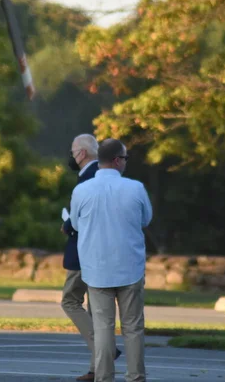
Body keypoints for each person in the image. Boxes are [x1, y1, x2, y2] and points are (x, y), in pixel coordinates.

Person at [70, 138, 152, 382]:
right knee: (133, 327)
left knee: (103, 328)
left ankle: (103, 377)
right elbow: (146, 219)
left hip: (96, 269)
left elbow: (75, 223)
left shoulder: (81, 190)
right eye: (125, 158)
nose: (125, 163)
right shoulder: (135, 188)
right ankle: (136, 377)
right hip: (130, 267)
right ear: (117, 160)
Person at [61, 134, 120, 382]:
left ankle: (104, 351)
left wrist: (66, 225)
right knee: (96, 310)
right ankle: (96, 369)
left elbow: (79, 222)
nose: (73, 157)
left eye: (74, 152)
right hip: (105, 252)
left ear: (82, 154)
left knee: (70, 301)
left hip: (84, 254)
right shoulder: (107, 175)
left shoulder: (86, 179)